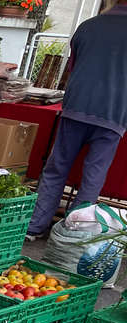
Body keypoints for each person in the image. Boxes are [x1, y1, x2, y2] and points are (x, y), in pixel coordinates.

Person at [26, 0, 127, 239]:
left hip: (77, 105)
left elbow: (74, 66)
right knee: (93, 177)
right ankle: (72, 234)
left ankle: (34, 226)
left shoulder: (88, 26)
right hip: (114, 112)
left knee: (56, 169)